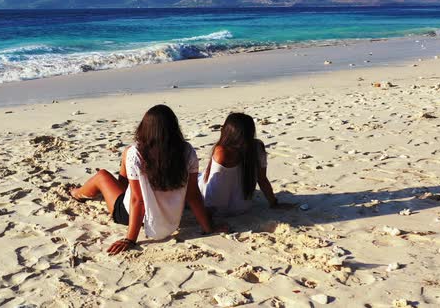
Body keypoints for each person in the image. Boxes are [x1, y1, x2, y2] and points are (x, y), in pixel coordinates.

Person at [69, 105, 218, 255]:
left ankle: (77, 194)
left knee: (102, 176)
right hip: (169, 216)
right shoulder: (187, 151)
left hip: (131, 216)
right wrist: (208, 228)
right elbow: (192, 194)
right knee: (127, 154)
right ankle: (121, 187)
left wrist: (130, 239)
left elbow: (137, 200)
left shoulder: (138, 153)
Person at [199, 113, 281, 216]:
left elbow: (214, 193)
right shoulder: (258, 147)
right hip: (243, 206)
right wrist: (274, 202)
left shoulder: (222, 151)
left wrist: (208, 225)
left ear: (226, 131)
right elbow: (262, 179)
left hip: (217, 209)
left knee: (190, 179)